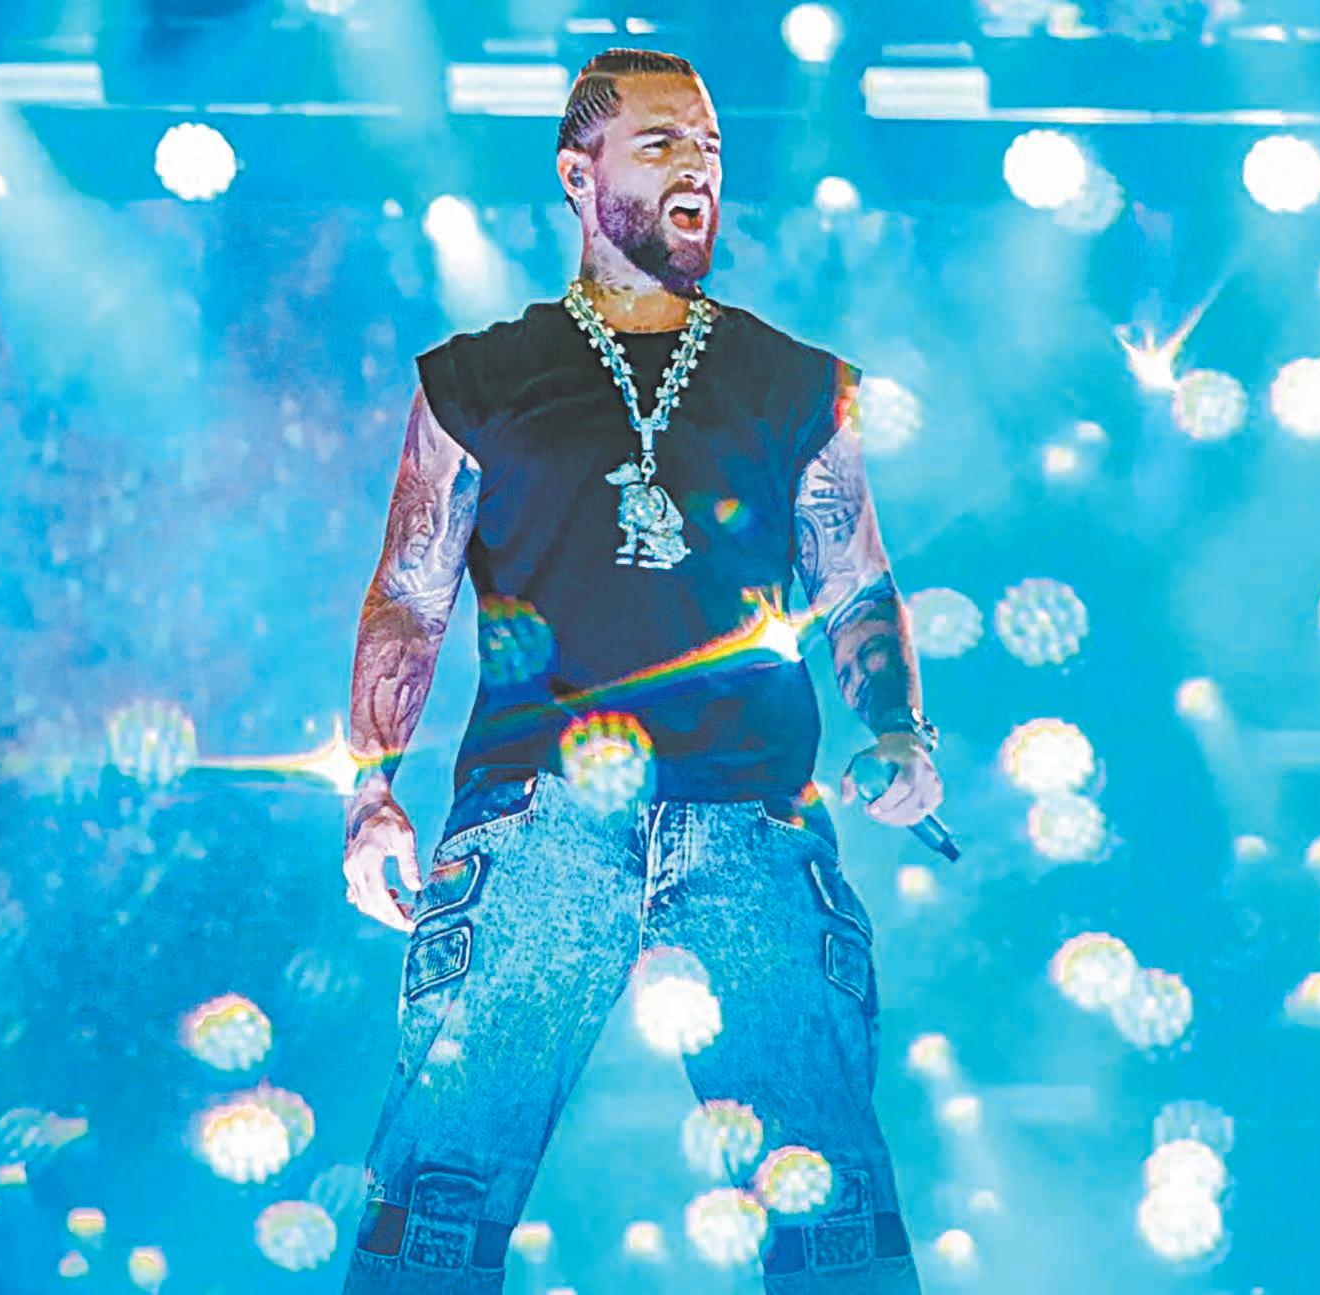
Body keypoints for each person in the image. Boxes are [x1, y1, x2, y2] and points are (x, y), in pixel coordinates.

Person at [340, 47, 943, 1294]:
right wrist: (371, 786)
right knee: (440, 1194)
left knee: (826, 1205)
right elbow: (409, 586)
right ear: (579, 174)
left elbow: (854, 578)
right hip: (534, 816)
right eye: (662, 143)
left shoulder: (792, 380)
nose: (696, 170)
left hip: (751, 818)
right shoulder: (479, 379)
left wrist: (895, 725)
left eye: (709, 149)